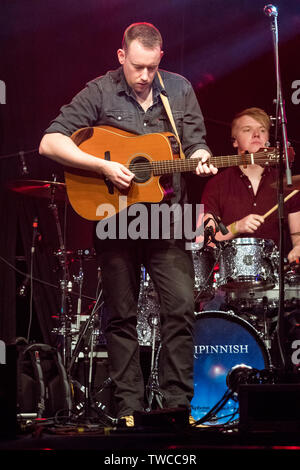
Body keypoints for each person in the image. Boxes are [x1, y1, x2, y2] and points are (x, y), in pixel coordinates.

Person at [39, 22, 217, 425]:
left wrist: (202, 154)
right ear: (122, 57)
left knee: (181, 309)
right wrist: (103, 164)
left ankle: (178, 407)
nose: (144, 76)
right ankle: (130, 409)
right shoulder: (99, 90)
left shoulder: (180, 89)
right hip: (115, 217)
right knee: (120, 316)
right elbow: (50, 141)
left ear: (160, 60)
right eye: (137, 67)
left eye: (152, 68)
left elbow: (196, 142)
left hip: (168, 216)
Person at [200, 107, 300, 263]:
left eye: (262, 130)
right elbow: (205, 239)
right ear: (234, 140)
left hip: (276, 279)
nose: (256, 134)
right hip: (229, 279)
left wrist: (298, 247)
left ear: (268, 137)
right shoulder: (217, 184)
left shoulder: (286, 184)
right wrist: (237, 227)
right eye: (247, 130)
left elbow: (297, 236)